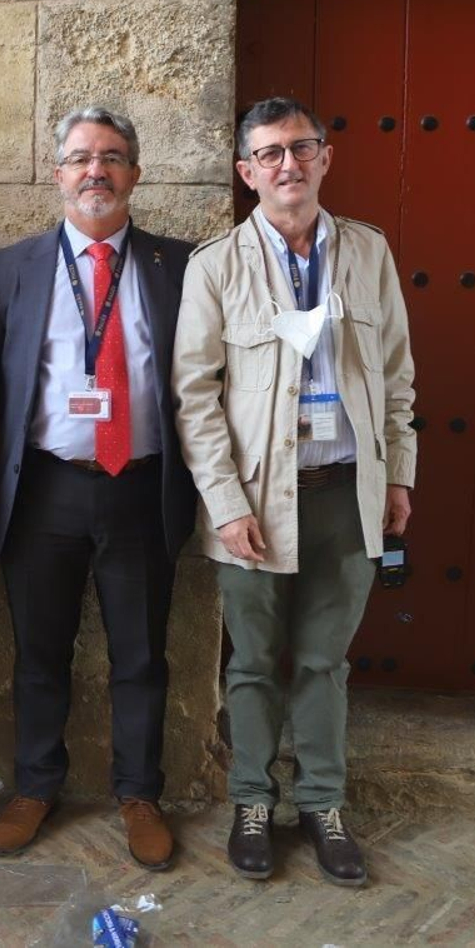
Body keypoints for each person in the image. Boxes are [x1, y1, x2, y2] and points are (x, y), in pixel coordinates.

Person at [173, 96, 417, 887]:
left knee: (323, 660)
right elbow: (195, 395)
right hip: (254, 502)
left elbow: (397, 379)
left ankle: (323, 805)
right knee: (251, 662)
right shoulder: (216, 266)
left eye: (301, 148)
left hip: (348, 491)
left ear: (325, 157)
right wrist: (226, 501)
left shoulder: (368, 254)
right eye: (270, 153)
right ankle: (252, 801)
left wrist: (399, 474)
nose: (288, 164)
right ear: (247, 172)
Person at [0, 107, 197, 871]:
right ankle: (37, 786)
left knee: (141, 655)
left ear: (135, 174)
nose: (94, 171)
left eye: (111, 158)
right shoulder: (8, 270)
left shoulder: (183, 266)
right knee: (40, 653)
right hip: (46, 492)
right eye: (79, 158)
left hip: (140, 488)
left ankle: (139, 793)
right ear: (58, 173)